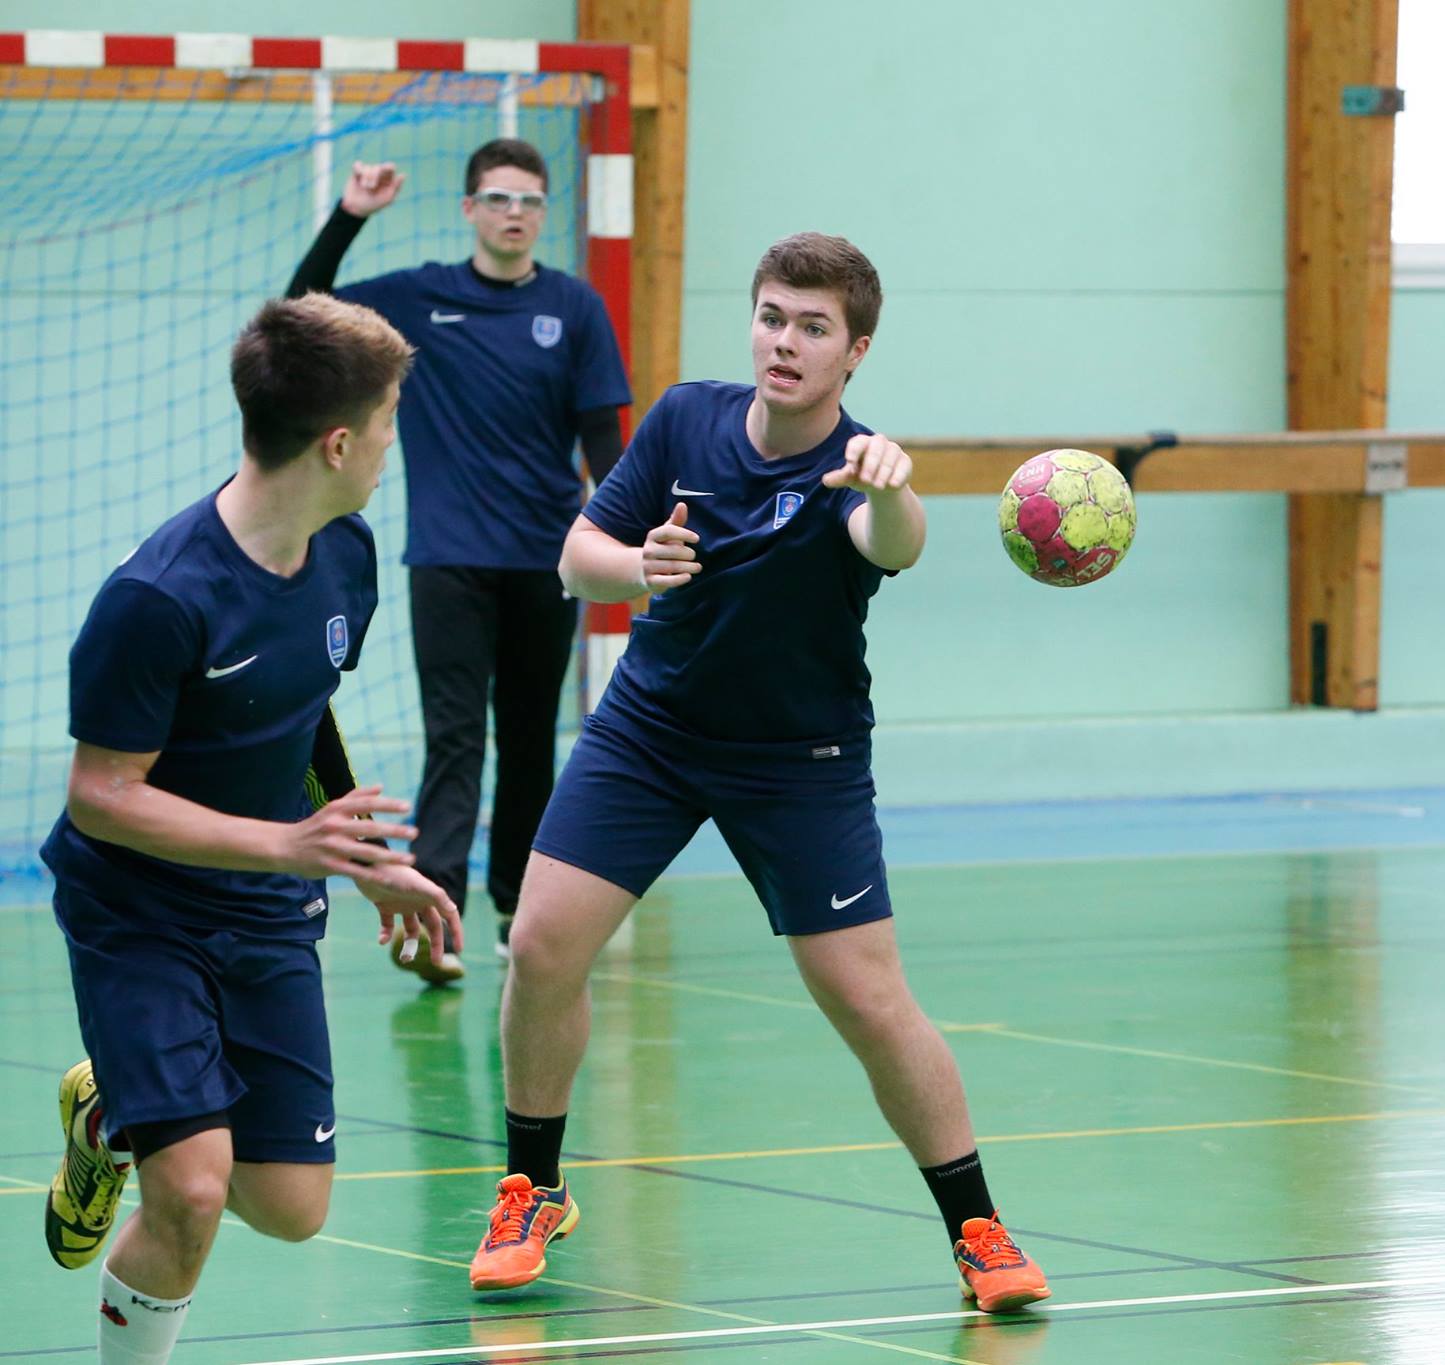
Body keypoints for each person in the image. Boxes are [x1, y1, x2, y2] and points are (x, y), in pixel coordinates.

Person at [461, 232, 1050, 1314]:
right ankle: (533, 1186)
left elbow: (896, 546)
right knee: (541, 943)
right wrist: (637, 564)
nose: (785, 341)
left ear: (854, 351)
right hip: (651, 732)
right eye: (773, 316)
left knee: (867, 998)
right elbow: (574, 556)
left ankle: (978, 1229)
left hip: (799, 759)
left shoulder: (861, 472)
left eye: (813, 327)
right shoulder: (686, 418)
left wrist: (888, 489)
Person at [39, 294, 460, 1365]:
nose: (388, 448)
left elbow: (300, 704)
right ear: (335, 441)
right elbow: (102, 794)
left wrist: (365, 860)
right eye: (387, 423)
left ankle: (111, 1115)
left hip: (270, 909)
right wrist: (287, 843)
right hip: (138, 910)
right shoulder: (158, 597)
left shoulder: (344, 552)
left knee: (291, 1206)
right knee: (192, 1192)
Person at [287, 138, 632, 982]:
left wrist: (616, 533)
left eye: (530, 201)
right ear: (471, 208)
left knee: (528, 737)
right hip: (447, 561)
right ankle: (436, 916)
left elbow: (604, 442)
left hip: (547, 563)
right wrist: (351, 214)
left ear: (542, 215)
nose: (515, 213)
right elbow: (301, 307)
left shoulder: (575, 308)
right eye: (499, 198)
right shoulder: (422, 296)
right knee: (453, 736)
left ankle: (520, 904)